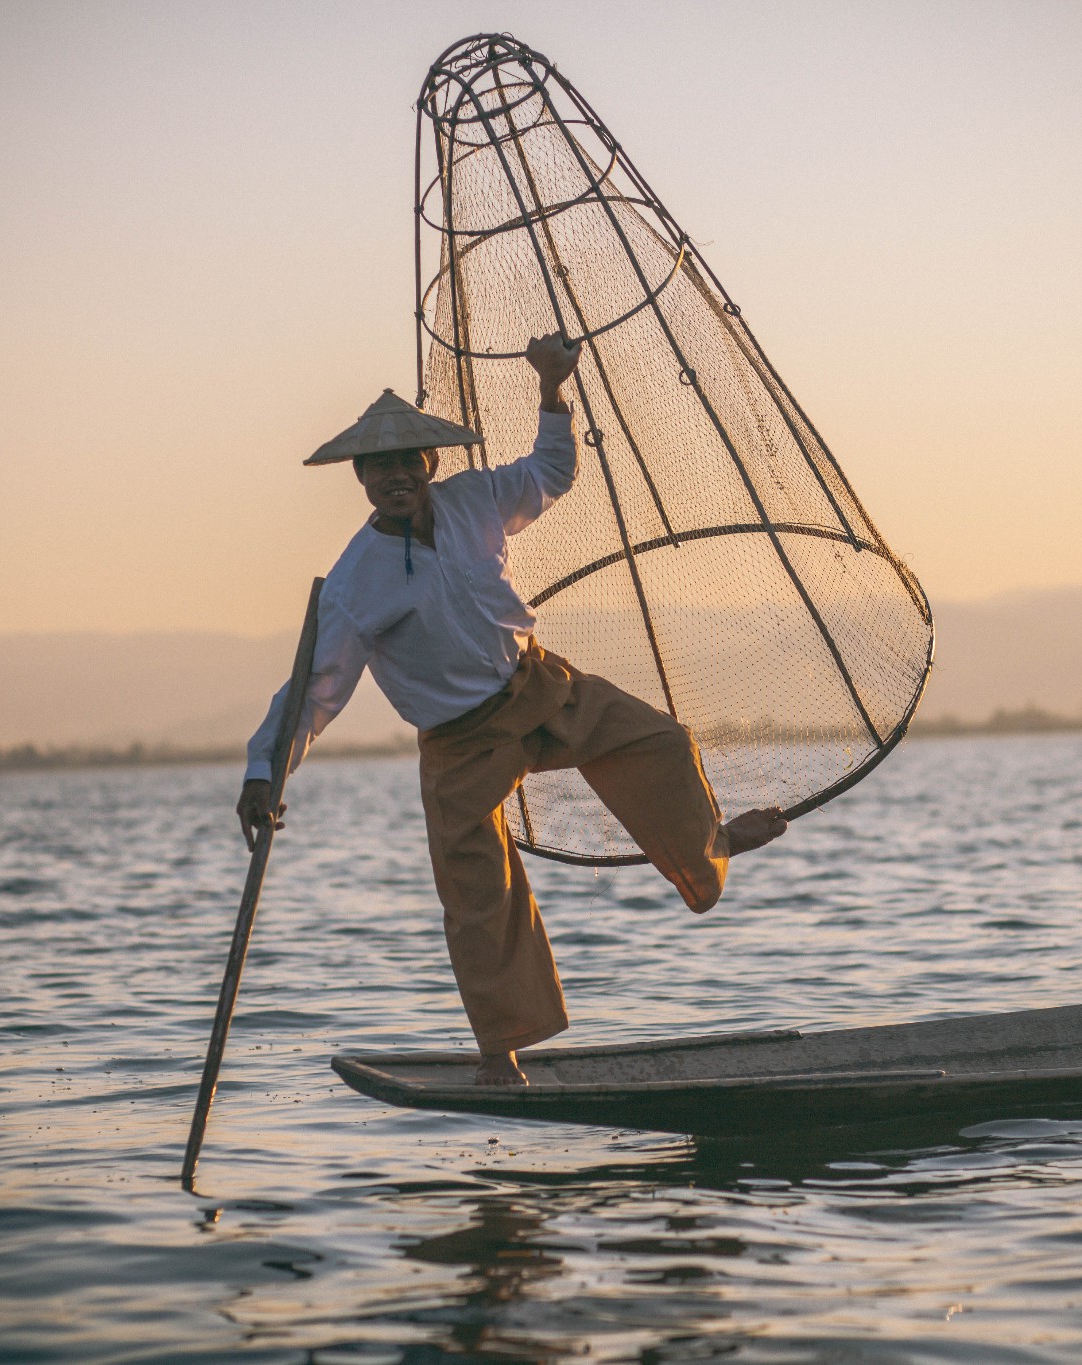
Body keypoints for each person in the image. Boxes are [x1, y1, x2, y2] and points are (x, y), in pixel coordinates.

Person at [237, 335, 787, 1085]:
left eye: (409, 462)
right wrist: (266, 775)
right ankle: (502, 1052)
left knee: (658, 741)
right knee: (477, 893)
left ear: (430, 466)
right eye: (381, 467)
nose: (397, 476)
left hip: (537, 689)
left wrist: (553, 388)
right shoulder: (353, 581)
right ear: (363, 479)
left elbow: (551, 471)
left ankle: (706, 845)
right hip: (461, 744)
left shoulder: (475, 500)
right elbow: (314, 691)